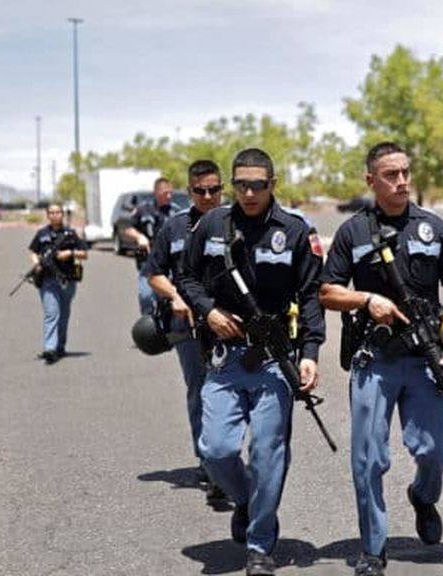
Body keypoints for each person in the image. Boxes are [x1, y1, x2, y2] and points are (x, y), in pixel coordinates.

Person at [320, 142, 443, 576]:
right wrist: (367, 300)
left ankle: (423, 496)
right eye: (390, 174)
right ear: (371, 180)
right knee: (368, 459)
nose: (401, 181)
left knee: (435, 452)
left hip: (425, 358)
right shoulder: (353, 232)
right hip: (375, 357)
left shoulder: (433, 227)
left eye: (405, 172)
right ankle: (373, 548)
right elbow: (327, 292)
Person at [176, 148, 325, 576]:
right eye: (240, 183)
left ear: (273, 185)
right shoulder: (212, 224)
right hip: (225, 359)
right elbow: (186, 276)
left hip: (275, 360)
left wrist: (311, 353)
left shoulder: (294, 230)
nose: (248, 192)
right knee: (216, 450)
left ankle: (261, 544)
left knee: (267, 454)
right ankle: (245, 500)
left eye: (258, 184)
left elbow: (311, 296)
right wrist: (209, 312)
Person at [143, 159, 225, 501]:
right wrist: (175, 296)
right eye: (200, 191)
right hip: (188, 325)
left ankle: (224, 456)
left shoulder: (237, 223)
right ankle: (209, 462)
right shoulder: (175, 227)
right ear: (189, 191)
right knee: (200, 389)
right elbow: (154, 272)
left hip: (228, 323)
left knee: (229, 392)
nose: (208, 196)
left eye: (214, 190)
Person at [28, 203, 88, 364]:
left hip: (67, 281)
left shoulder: (71, 234)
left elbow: (84, 254)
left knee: (63, 315)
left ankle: (60, 347)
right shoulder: (42, 234)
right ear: (47, 215)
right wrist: (36, 263)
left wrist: (70, 253)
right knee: (51, 313)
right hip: (48, 280)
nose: (55, 215)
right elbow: (33, 251)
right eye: (52, 213)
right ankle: (50, 348)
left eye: (58, 212)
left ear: (62, 214)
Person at [124, 176, 174, 315]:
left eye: (171, 193)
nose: (169, 196)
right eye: (166, 193)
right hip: (147, 264)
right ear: (156, 192)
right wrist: (139, 237)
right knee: (147, 299)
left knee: (168, 301)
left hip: (169, 265)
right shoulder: (143, 209)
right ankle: (149, 332)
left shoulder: (175, 211)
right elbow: (127, 229)